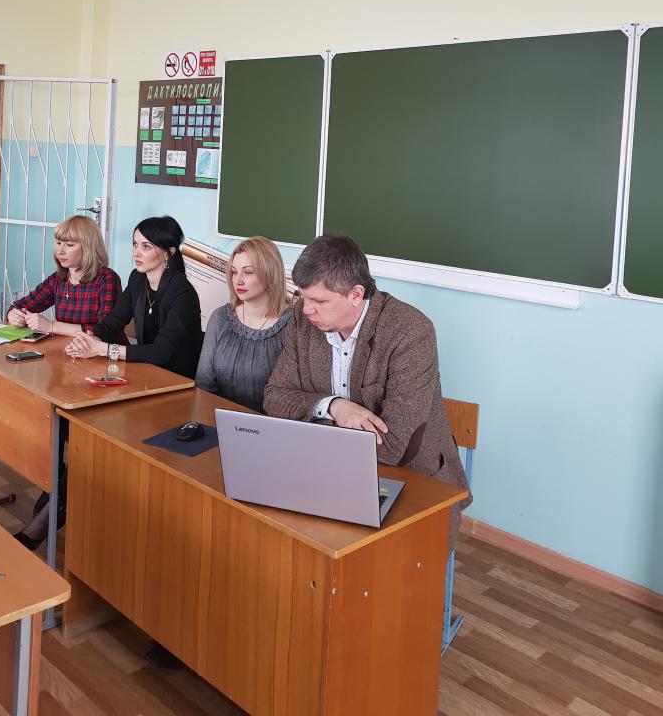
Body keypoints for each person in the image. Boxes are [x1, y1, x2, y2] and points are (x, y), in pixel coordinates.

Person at [263, 234, 471, 549]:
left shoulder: (410, 331)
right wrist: (334, 407)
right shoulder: (301, 319)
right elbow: (275, 397)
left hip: (411, 479)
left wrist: (311, 428)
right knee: (283, 540)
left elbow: (393, 446)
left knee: (372, 563)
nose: (306, 310)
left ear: (355, 294)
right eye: (303, 296)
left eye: (319, 301)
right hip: (327, 472)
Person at [0, 215, 123, 481]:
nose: (60, 250)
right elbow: (23, 303)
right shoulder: (59, 279)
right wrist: (14, 313)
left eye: (69, 244)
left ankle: (55, 486)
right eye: (58, 243)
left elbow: (103, 331)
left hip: (101, 365)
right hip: (67, 362)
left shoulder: (107, 279)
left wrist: (52, 326)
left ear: (88, 246)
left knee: (49, 414)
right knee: (17, 397)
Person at [65, 215, 202, 376]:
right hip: (146, 371)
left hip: (176, 378)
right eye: (135, 244)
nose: (136, 253)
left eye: (146, 247)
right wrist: (87, 341)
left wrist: (105, 349)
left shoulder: (183, 294)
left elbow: (161, 352)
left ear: (168, 253)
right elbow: (112, 323)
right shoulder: (137, 279)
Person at [196, 236, 291, 412]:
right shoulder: (220, 318)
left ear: (270, 273)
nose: (238, 280)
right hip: (220, 420)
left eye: (248, 272)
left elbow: (292, 397)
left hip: (271, 424)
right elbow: (204, 386)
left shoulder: (293, 325)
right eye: (234, 272)